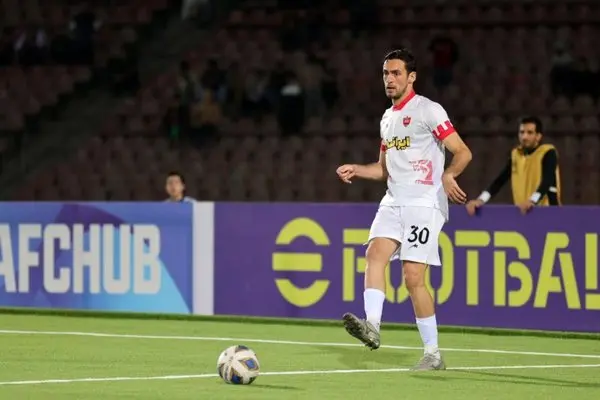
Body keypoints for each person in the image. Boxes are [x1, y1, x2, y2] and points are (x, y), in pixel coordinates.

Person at [335, 49, 472, 371]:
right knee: (374, 254)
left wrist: (449, 174)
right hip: (394, 199)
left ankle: (433, 354)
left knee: (412, 278)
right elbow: (383, 169)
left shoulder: (428, 110)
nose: (389, 79)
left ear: (411, 77)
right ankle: (372, 326)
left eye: (396, 73)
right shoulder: (387, 118)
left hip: (424, 202)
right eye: (386, 73)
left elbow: (463, 152)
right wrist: (357, 169)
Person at [465, 116, 561, 216]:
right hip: (524, 212)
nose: (524, 137)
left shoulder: (548, 152)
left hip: (548, 212)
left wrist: (532, 201)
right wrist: (481, 200)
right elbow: (500, 181)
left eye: (529, 133)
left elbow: (548, 180)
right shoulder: (516, 154)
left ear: (538, 136)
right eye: (522, 132)